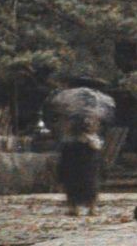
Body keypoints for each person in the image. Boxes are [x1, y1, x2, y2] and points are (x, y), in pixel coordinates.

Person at [44, 76, 117, 215]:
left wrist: (57, 130)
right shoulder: (104, 99)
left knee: (70, 175)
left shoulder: (63, 96)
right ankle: (92, 207)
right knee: (91, 174)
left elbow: (51, 114)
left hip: (69, 140)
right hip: (91, 141)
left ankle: (73, 207)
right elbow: (108, 119)